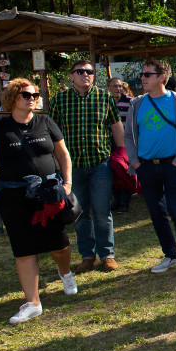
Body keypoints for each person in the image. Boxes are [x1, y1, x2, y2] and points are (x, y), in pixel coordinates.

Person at [0, 78, 78, 324]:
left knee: (59, 243)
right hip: (13, 196)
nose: (32, 99)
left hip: (48, 194)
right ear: (12, 98)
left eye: (35, 95)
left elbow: (62, 154)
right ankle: (33, 303)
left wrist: (67, 184)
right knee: (23, 248)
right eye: (26, 95)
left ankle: (65, 272)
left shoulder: (45, 121)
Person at [125, 60, 176, 278]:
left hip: (172, 166)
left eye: (147, 74)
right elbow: (128, 135)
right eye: (142, 74)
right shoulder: (136, 104)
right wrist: (136, 163)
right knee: (157, 213)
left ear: (162, 77)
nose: (142, 78)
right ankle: (170, 255)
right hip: (146, 167)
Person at [49, 60, 124, 273]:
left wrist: (122, 152)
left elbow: (116, 125)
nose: (85, 75)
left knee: (102, 211)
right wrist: (55, 159)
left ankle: (107, 255)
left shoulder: (104, 97)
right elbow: (52, 132)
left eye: (89, 71)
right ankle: (87, 256)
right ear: (71, 76)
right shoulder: (59, 99)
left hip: (100, 163)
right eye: (80, 71)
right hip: (72, 166)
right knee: (80, 213)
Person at [107, 77, 134, 213]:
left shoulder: (130, 102)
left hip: (125, 141)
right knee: (111, 172)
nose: (118, 89)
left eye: (119, 86)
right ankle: (116, 200)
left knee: (123, 170)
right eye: (115, 86)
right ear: (108, 88)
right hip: (108, 141)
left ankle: (124, 203)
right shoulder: (105, 102)